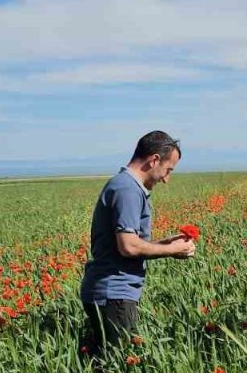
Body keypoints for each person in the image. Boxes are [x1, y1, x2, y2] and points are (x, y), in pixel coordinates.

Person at [79, 131, 195, 356]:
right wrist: (172, 249)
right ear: (154, 160)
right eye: (168, 170)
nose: (166, 179)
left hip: (110, 292)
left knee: (106, 362)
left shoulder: (124, 186)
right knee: (118, 366)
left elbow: (123, 244)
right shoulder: (128, 190)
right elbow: (128, 246)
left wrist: (165, 242)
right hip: (114, 293)